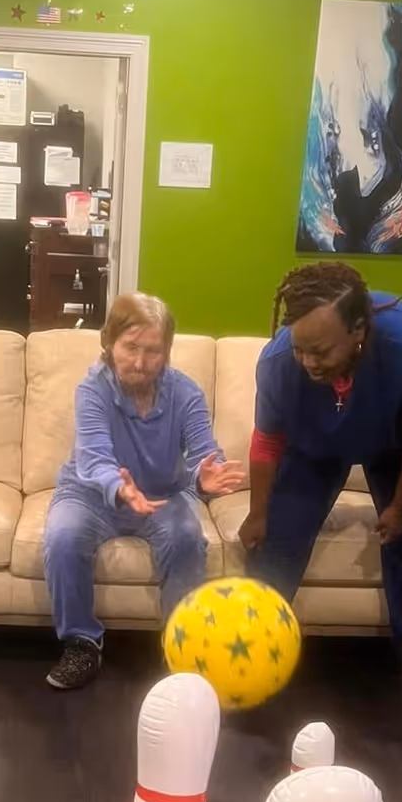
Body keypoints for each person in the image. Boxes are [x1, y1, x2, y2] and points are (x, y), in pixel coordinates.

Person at [241, 261, 402, 702]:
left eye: (320, 351)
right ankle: (252, 654)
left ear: (359, 330)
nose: (307, 362)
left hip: (400, 442)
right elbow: (267, 440)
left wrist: (398, 507)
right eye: (300, 349)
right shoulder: (281, 362)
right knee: (276, 541)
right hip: (313, 444)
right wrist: (258, 513)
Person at [43, 292, 244, 690]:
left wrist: (208, 474)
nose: (139, 362)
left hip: (164, 492)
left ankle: (180, 646)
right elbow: (95, 456)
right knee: (63, 538)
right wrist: (120, 488)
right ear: (109, 343)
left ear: (167, 352)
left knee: (188, 537)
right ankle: (82, 643)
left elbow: (205, 448)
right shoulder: (92, 390)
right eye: (130, 347)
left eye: (153, 351)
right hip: (90, 492)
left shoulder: (186, 393)